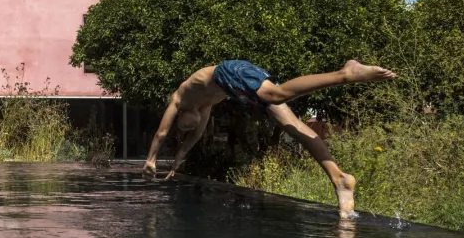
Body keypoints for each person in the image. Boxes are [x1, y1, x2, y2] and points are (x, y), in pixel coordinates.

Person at [142, 59, 397, 218]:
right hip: (236, 88)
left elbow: (161, 133)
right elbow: (192, 141)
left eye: (183, 127)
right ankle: (339, 179)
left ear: (179, 117)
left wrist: (151, 160)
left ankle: (346, 73)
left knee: (276, 94)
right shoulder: (204, 108)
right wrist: (176, 163)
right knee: (291, 124)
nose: (188, 128)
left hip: (229, 72)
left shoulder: (180, 99)